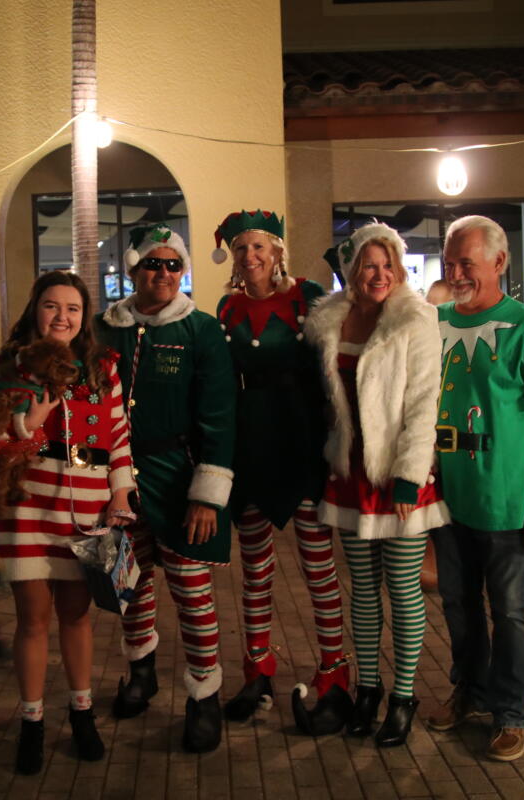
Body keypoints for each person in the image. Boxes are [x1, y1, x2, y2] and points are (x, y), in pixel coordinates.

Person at [0, 270, 133, 775]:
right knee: (32, 621)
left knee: (77, 618)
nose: (62, 316)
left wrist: (121, 492)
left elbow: (119, 436)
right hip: (28, 510)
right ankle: (32, 722)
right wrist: (24, 423)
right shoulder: (9, 363)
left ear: (84, 316)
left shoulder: (103, 366)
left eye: (72, 308)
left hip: (86, 513)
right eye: (52, 306)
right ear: (35, 310)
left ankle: (82, 714)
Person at [426, 215, 524, 762]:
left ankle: (511, 714)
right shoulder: (433, 323)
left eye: (467, 262)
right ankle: (471, 692)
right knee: (458, 606)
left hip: (508, 505)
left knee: (510, 613)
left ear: (499, 262)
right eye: (450, 263)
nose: (456, 273)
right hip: (447, 500)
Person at [304, 222, 449, 745]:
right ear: (351, 271)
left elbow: (424, 401)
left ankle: (403, 697)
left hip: (398, 475)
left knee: (404, 590)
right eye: (370, 265)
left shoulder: (416, 318)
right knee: (363, 591)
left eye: (388, 265)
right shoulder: (329, 320)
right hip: (350, 475)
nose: (380, 274)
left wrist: (410, 476)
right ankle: (368, 690)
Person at [95, 224, 236, 754]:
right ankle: (141, 672)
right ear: (133, 270)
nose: (163, 273)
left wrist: (206, 494)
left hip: (180, 478)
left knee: (192, 592)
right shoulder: (103, 329)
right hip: (117, 479)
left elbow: (220, 414)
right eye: (152, 263)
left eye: (173, 264)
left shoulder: (201, 330)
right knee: (130, 585)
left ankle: (205, 696)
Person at [210, 210, 341, 726]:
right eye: (241, 248)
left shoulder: (309, 297)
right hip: (252, 444)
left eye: (259, 246)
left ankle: (335, 671)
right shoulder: (227, 306)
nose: (250, 257)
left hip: (302, 442)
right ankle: (258, 671)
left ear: (279, 251)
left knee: (318, 565)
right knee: (256, 569)